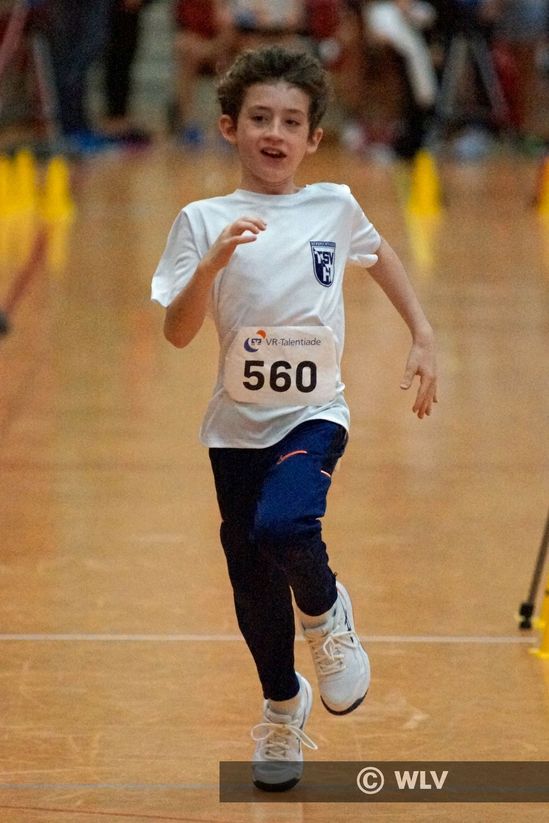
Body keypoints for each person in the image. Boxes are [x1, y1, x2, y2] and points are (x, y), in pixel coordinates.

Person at [151, 45, 438, 791]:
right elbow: (177, 333)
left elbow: (379, 256)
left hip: (315, 413)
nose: (273, 133)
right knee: (251, 579)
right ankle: (282, 705)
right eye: (259, 119)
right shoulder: (201, 220)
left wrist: (422, 333)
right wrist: (211, 266)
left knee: (284, 526)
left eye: (290, 121)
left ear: (313, 137)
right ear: (229, 127)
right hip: (234, 428)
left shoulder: (333, 206)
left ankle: (327, 612)